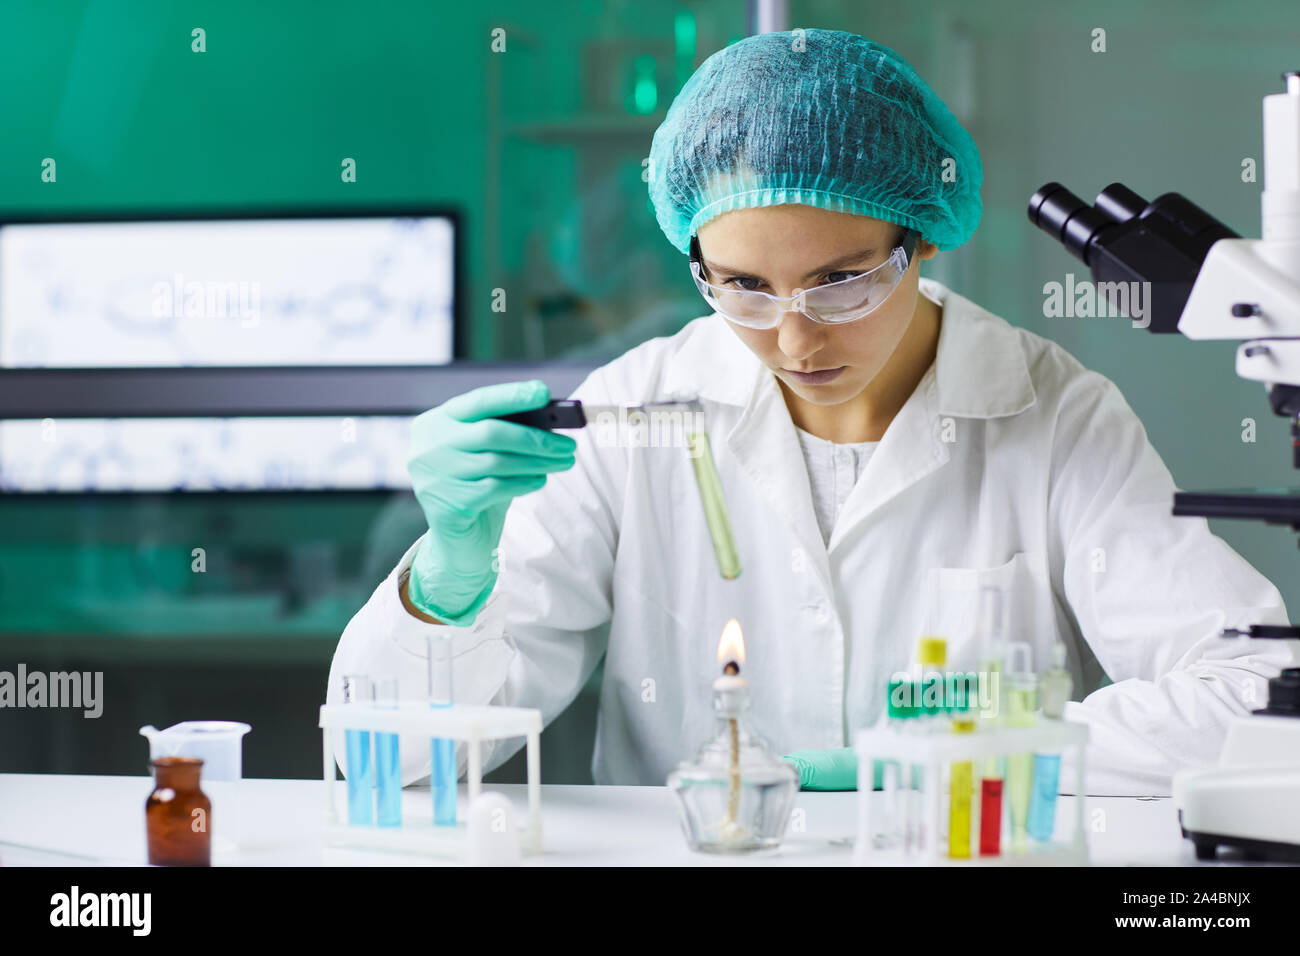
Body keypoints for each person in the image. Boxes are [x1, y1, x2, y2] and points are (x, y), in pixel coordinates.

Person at [328, 28, 1297, 796]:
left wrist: (933, 762)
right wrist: (446, 582)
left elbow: (1250, 704)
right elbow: (389, 762)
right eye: (743, 287)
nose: (795, 340)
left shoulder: (1055, 414)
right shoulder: (635, 412)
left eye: (839, 282)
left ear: (921, 242)